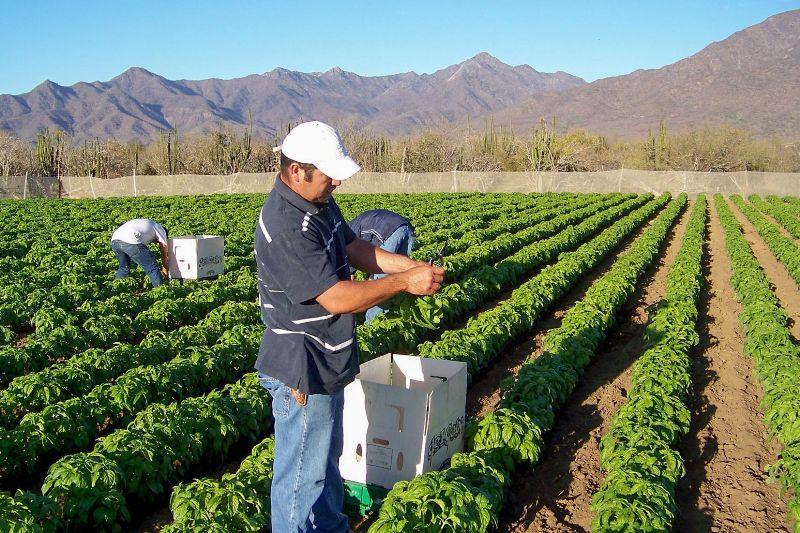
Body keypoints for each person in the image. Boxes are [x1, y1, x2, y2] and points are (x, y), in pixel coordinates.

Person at [254, 120, 444, 533]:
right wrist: (401, 283)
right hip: (301, 368)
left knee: (326, 461)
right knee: (302, 477)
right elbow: (335, 297)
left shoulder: (318, 205)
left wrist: (411, 267)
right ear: (296, 170)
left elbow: (355, 248)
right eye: (328, 173)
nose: (337, 181)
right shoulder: (286, 227)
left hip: (328, 357)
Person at [349, 209, 415, 322]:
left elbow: (349, 273)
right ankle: (393, 311)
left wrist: (350, 306)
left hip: (389, 233)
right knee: (401, 274)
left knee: (380, 286)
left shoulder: (346, 235)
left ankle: (372, 323)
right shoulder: (353, 225)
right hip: (405, 228)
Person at [110, 218, 169, 287]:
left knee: (123, 268)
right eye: (157, 242)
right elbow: (164, 253)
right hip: (130, 239)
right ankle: (160, 289)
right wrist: (165, 270)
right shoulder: (161, 230)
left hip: (114, 240)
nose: (156, 243)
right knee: (152, 267)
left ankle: (116, 289)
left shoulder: (149, 225)